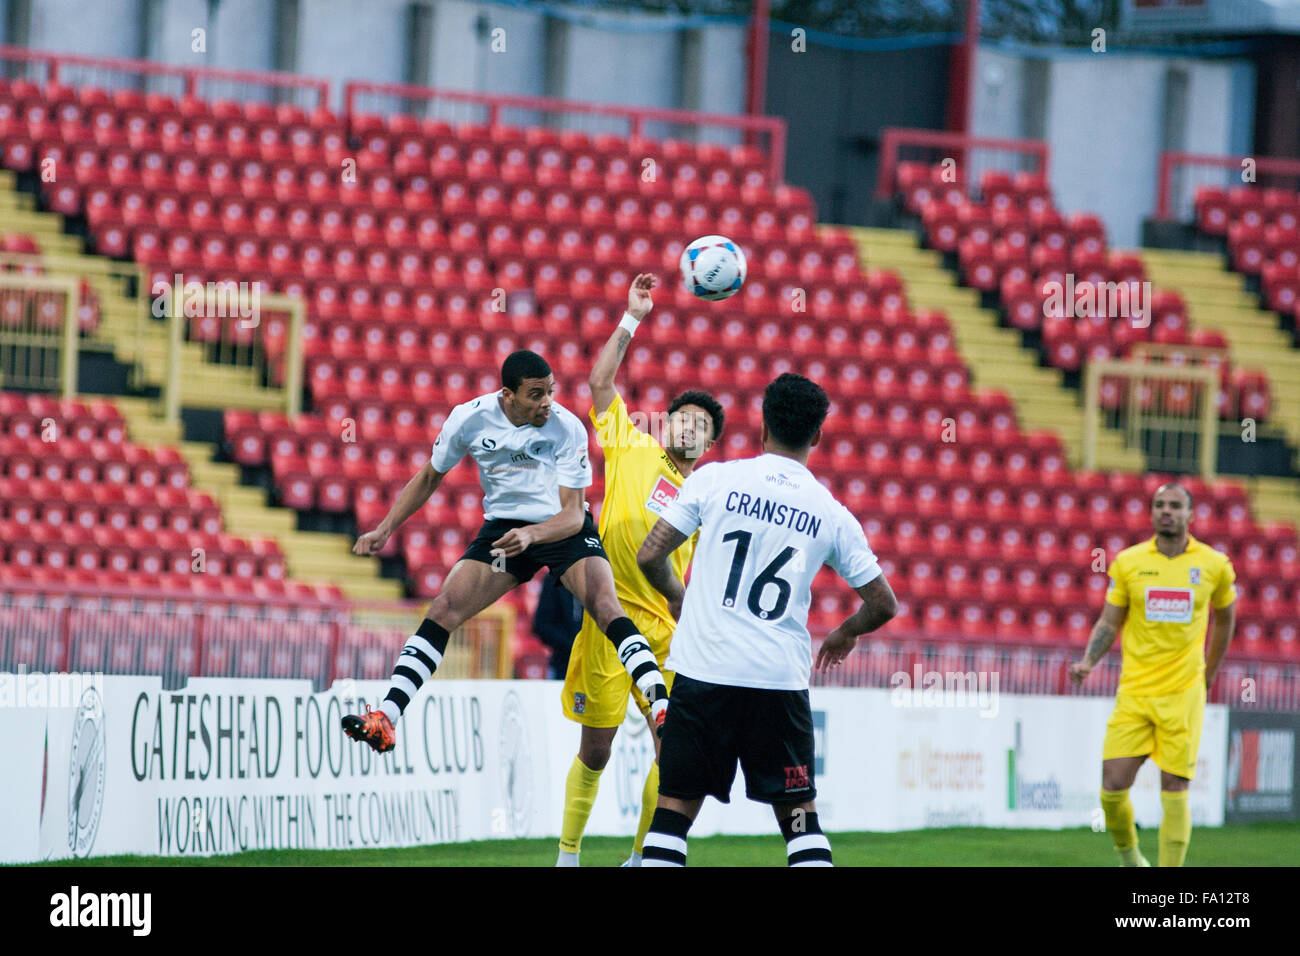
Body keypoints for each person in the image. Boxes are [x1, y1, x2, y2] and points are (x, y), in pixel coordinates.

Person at [341, 349, 669, 754]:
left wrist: (534, 535)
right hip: (504, 533)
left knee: (605, 605)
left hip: (561, 531)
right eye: (535, 394)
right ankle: (387, 718)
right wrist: (386, 528)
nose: (547, 402)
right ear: (507, 395)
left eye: (550, 391)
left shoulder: (566, 428)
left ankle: (661, 704)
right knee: (444, 609)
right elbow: (429, 476)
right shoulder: (470, 418)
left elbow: (572, 515)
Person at [634, 372, 898, 867]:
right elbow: (884, 603)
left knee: (673, 812)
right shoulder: (830, 511)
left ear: (761, 427)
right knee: (800, 820)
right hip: (777, 683)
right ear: (817, 436)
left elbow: (649, 555)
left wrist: (681, 598)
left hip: (704, 675)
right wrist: (844, 632)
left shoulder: (716, 479)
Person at [557, 273, 725, 867]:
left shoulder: (711, 494)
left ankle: (640, 859)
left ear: (709, 446)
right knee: (596, 751)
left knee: (672, 754)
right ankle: (568, 853)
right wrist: (631, 319)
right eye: (684, 418)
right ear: (668, 421)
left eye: (703, 428)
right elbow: (600, 382)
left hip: (668, 636)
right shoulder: (631, 445)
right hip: (609, 619)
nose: (691, 429)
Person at [1070, 482, 1237, 867]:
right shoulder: (1128, 563)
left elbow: (1226, 619)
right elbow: (1110, 622)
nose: (1166, 511)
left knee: (1175, 785)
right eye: (1160, 505)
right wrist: (1087, 662)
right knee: (1112, 788)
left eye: (1175, 506)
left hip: (1183, 693)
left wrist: (1208, 674)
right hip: (1135, 692)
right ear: (1151, 513)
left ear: (1190, 514)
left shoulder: (1214, 565)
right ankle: (1131, 859)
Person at [533, 570, 582, 679]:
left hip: (596, 665)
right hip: (562, 666)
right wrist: (573, 647)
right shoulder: (553, 578)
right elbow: (541, 625)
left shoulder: (600, 577)